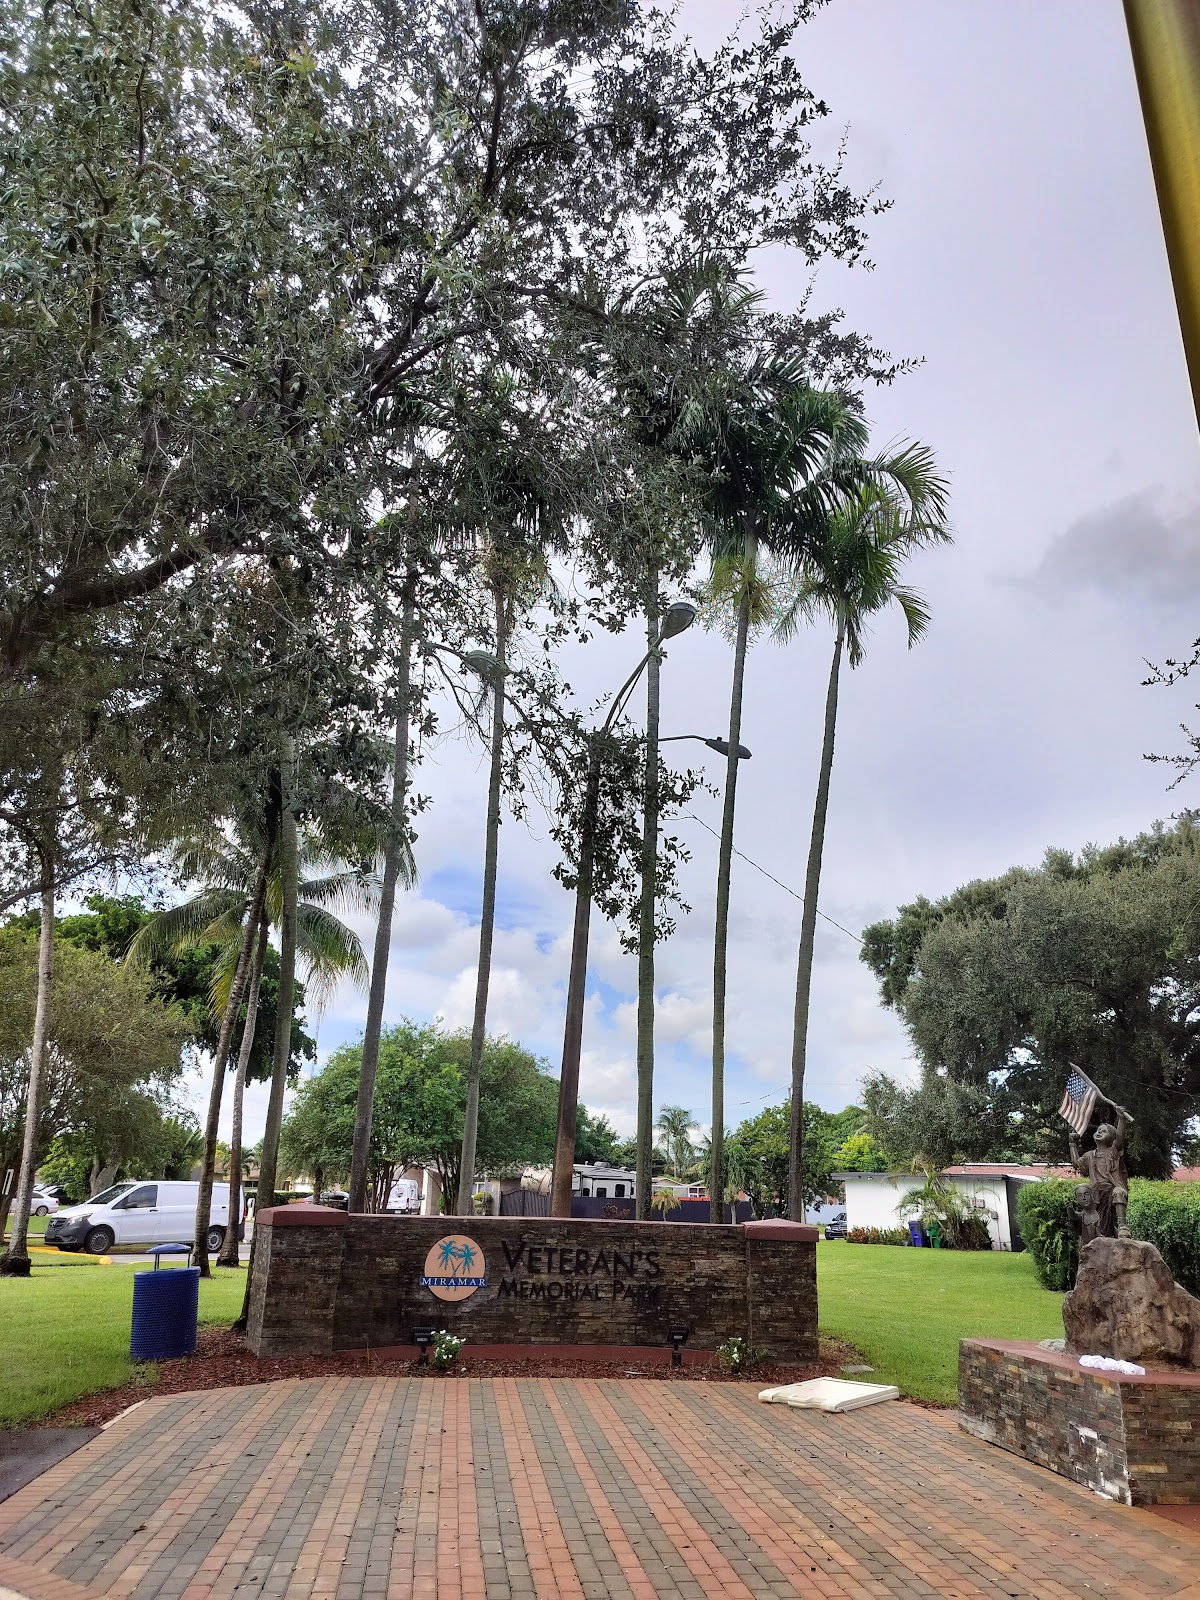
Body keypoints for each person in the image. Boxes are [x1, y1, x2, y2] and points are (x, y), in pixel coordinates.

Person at [1070, 1101, 1132, 1239]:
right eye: (1098, 1130)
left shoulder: (1113, 1151)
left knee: (1119, 1192)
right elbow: (1076, 1163)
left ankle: (1123, 1227)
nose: (1099, 1132)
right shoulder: (1089, 1156)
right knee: (1102, 1225)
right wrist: (1072, 1144)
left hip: (1111, 1189)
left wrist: (1121, 1118)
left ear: (1111, 1137)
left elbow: (1120, 1139)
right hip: (1096, 1194)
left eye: (1104, 1131)